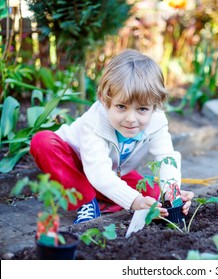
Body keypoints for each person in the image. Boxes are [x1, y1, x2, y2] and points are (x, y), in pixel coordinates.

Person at [30, 49, 194, 224]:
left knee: (152, 194)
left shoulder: (157, 120)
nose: (131, 119)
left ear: (155, 105)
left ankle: (100, 199)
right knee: (43, 142)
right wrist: (135, 202)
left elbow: (166, 157)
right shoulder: (94, 122)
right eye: (121, 106)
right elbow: (98, 173)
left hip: (110, 172)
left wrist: (172, 192)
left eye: (142, 109)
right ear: (104, 99)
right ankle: (86, 202)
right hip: (73, 165)